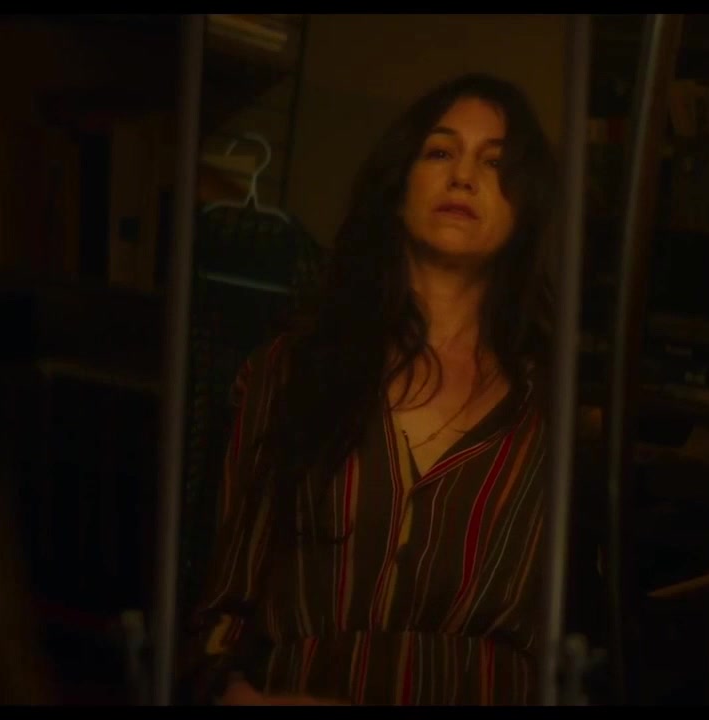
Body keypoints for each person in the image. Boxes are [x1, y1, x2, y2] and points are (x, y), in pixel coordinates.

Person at [180, 72, 560, 706]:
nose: (462, 176)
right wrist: (240, 695)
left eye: (495, 163)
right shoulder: (293, 369)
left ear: (526, 209)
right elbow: (223, 596)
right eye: (440, 152)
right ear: (398, 187)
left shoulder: (550, 408)